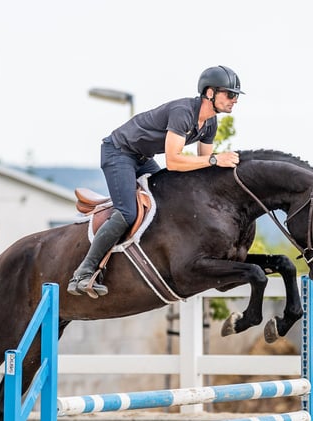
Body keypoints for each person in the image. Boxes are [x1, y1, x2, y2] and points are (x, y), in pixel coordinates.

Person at [68, 65, 244, 298]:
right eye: (229, 94)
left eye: (235, 96)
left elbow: (205, 166)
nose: (234, 100)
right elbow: (174, 161)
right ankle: (83, 271)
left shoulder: (210, 123)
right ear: (210, 93)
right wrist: (215, 159)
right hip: (118, 153)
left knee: (165, 199)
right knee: (129, 213)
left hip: (142, 158)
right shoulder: (184, 112)